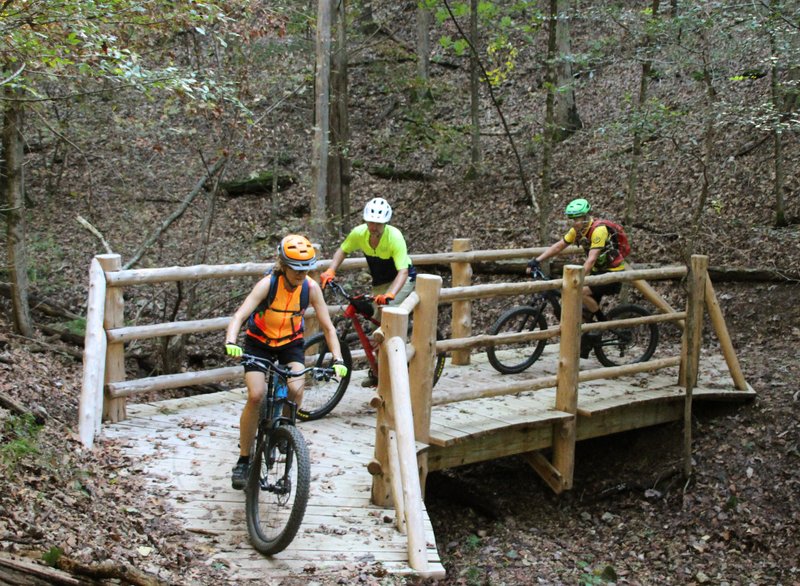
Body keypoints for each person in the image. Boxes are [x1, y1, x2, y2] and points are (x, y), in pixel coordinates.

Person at [224, 234, 348, 490]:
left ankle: (285, 429)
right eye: (296, 270)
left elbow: (328, 327)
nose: (302, 275)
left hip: (290, 345)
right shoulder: (267, 284)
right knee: (256, 395)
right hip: (258, 343)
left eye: (306, 270)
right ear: (283, 265)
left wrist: (337, 358)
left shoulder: (310, 289)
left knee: (295, 388)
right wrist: (231, 341)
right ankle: (244, 459)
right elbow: (239, 315)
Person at [318, 198, 416, 386]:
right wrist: (331, 270)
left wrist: (391, 295)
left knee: (389, 315)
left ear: (385, 223)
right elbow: (343, 250)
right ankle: (379, 372)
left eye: (378, 223)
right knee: (375, 327)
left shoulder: (394, 237)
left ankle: (398, 371)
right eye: (370, 222)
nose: (373, 226)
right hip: (380, 281)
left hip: (402, 279)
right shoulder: (359, 233)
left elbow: (403, 271)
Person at [528, 198, 627, 353]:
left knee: (578, 291)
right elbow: (559, 245)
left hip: (612, 274)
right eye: (573, 219)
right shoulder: (578, 231)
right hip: (596, 273)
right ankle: (585, 342)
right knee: (580, 311)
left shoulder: (598, 230)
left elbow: (591, 259)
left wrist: (578, 278)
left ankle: (602, 322)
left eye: (578, 219)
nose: (575, 223)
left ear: (586, 216)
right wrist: (537, 260)